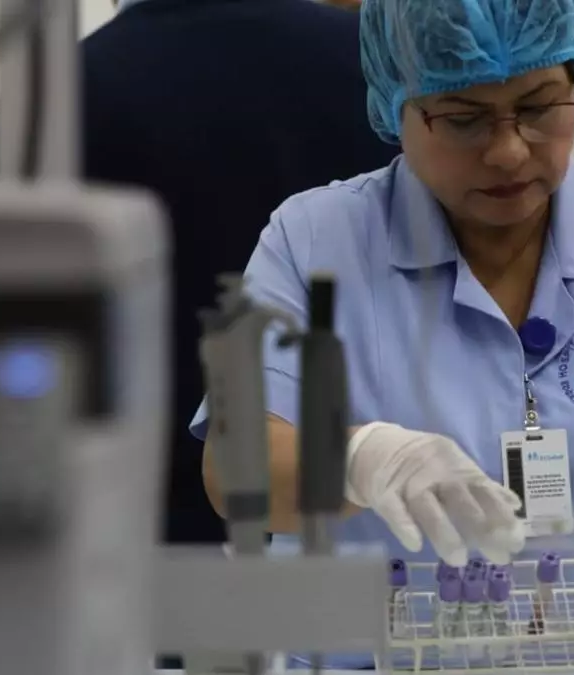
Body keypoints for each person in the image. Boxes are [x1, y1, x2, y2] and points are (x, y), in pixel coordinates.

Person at [190, 0, 574, 666]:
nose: (508, 151)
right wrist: (362, 459)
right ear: (398, 105)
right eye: (463, 118)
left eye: (539, 107)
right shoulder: (314, 242)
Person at [62, 0, 397, 546]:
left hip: (146, 519)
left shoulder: (74, 86)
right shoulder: (371, 61)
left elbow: (21, 324)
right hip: (345, 503)